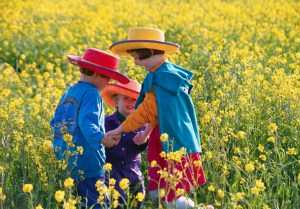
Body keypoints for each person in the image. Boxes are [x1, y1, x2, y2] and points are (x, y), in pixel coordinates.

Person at [106, 27, 211, 209]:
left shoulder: (164, 77)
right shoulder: (160, 74)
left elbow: (146, 111)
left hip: (174, 143)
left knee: (170, 197)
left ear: (151, 52)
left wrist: (118, 130)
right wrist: (146, 133)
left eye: (137, 57)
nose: (136, 63)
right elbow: (161, 112)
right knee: (157, 193)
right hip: (162, 138)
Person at [50, 48, 130, 209]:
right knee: (98, 203)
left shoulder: (70, 92)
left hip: (66, 160)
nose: (108, 83)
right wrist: (103, 139)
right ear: (96, 74)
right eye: (107, 78)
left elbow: (55, 122)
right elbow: (87, 123)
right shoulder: (92, 94)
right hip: (88, 162)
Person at [101, 79, 147, 209]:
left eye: (135, 99)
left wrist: (143, 140)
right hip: (112, 173)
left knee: (137, 203)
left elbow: (143, 147)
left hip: (133, 173)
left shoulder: (143, 125)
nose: (131, 102)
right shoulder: (105, 122)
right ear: (116, 102)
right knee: (117, 204)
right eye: (126, 98)